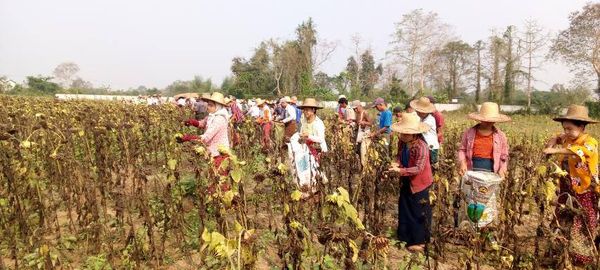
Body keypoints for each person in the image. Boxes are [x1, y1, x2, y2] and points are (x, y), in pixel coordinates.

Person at [543, 105, 599, 266]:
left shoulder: (590, 142)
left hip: (585, 189)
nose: (566, 132)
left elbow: (580, 151)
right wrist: (554, 140)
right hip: (566, 187)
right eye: (564, 128)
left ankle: (582, 257)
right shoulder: (568, 138)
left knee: (583, 220)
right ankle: (559, 251)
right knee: (562, 216)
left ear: (581, 127)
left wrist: (555, 151)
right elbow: (558, 137)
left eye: (570, 128)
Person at [387, 112, 433, 253]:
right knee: (405, 208)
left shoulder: (421, 147)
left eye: (406, 133)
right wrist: (396, 164)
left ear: (415, 134)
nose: (402, 135)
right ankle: (405, 237)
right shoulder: (402, 142)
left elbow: (418, 168)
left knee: (419, 212)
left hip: (420, 183)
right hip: (407, 180)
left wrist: (400, 171)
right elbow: (399, 157)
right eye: (402, 133)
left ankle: (420, 242)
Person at [179, 92, 231, 173]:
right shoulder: (211, 116)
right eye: (208, 105)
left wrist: (188, 138)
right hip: (213, 151)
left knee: (220, 179)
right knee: (213, 176)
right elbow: (202, 123)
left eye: (211, 105)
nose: (208, 107)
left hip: (220, 153)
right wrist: (192, 122)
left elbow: (206, 138)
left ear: (218, 107)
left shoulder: (219, 119)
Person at [458, 102, 510, 178]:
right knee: (471, 189)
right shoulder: (469, 133)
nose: (488, 122)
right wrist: (463, 163)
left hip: (492, 171)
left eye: (491, 120)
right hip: (471, 169)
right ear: (480, 119)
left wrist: (502, 168)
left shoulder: (500, 136)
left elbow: (504, 155)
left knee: (487, 190)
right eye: (486, 120)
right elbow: (462, 150)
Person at [288, 98, 328, 196]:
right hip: (306, 149)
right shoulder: (304, 121)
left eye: (307, 110)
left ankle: (318, 191)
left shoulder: (318, 123)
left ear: (313, 110)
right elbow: (302, 133)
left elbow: (321, 139)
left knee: (318, 173)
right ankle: (308, 189)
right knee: (305, 170)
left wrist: (308, 136)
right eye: (304, 110)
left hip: (317, 149)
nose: (305, 112)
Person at [410, 97, 440, 165]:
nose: (416, 112)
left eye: (418, 111)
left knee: (431, 165)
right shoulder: (421, 118)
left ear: (423, 112)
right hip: (424, 146)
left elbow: (420, 129)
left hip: (431, 147)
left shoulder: (430, 119)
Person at [352, 100, 372, 168]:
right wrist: (353, 120)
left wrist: (364, 123)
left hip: (365, 136)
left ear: (360, 106)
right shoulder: (357, 114)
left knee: (364, 153)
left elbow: (371, 123)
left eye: (356, 108)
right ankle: (361, 168)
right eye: (354, 109)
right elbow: (358, 123)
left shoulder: (365, 113)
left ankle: (365, 168)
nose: (355, 110)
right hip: (360, 135)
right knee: (359, 152)